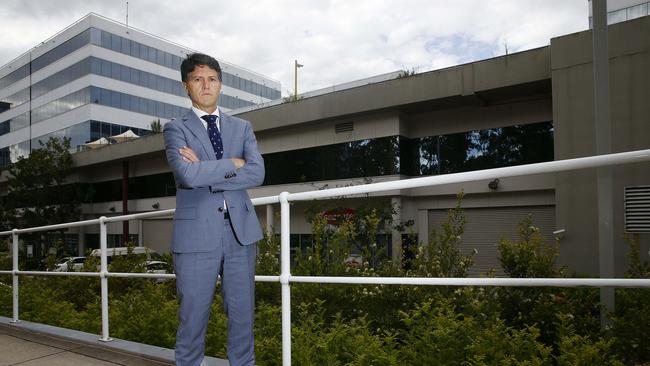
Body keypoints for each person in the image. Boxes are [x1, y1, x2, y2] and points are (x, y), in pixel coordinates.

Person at [163, 52, 264, 366]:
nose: (206, 85)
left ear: (220, 85)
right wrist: (233, 165)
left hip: (241, 236)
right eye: (197, 79)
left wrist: (207, 169)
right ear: (186, 86)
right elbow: (187, 175)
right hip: (195, 238)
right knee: (192, 320)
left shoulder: (242, 127)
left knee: (243, 318)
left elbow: (257, 173)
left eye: (212, 79)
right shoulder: (175, 129)